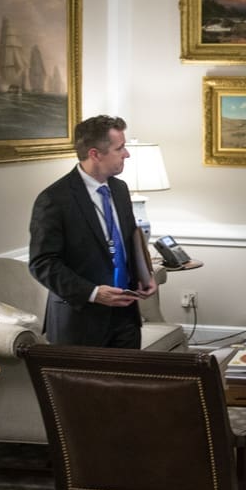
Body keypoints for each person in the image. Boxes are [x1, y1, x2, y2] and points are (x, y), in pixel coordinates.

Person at [29, 115, 157, 347]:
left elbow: (128, 240)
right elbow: (42, 263)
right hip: (80, 320)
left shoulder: (119, 189)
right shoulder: (54, 199)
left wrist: (144, 274)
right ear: (95, 154)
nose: (126, 154)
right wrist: (93, 292)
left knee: (130, 383)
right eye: (120, 148)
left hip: (126, 315)